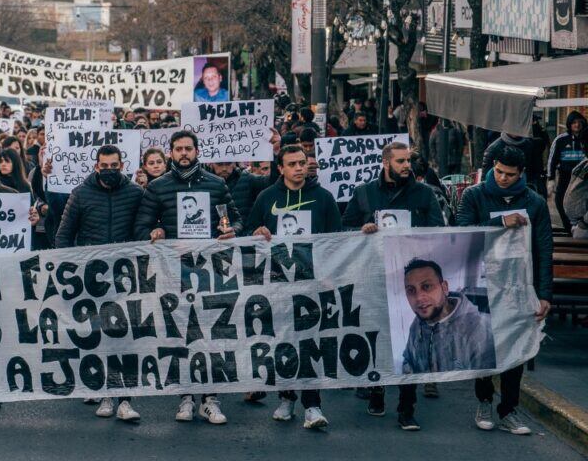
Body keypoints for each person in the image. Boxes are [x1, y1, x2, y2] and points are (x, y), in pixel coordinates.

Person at [133, 130, 241, 425]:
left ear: (197, 151)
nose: (183, 153)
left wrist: (231, 230)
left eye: (188, 148)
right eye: (178, 149)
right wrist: (155, 232)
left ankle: (210, 399)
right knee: (181, 333)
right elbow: (141, 226)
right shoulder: (158, 187)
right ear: (171, 153)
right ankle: (185, 397)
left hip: (210, 271)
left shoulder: (217, 185)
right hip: (174, 271)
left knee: (211, 334)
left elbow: (235, 218)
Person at [342, 141, 443, 430]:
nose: (406, 166)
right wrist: (362, 231)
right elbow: (342, 229)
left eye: (408, 160)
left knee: (410, 342)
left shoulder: (424, 194)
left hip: (409, 281)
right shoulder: (364, 194)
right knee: (378, 338)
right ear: (386, 163)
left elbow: (438, 229)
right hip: (373, 276)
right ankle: (377, 389)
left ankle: (406, 408)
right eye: (400, 161)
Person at [458, 146, 553, 435]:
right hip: (482, 284)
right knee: (483, 346)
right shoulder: (474, 195)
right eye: (498, 171)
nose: (502, 178)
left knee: (516, 348)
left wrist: (545, 293)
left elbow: (543, 248)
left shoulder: (535, 203)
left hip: (518, 287)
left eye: (509, 174)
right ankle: (484, 400)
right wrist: (499, 222)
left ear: (521, 173)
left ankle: (509, 409)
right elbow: (462, 233)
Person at [245, 144, 340, 429]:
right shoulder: (266, 197)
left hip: (312, 282)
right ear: (281, 168)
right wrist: (257, 231)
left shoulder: (323, 198)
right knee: (283, 343)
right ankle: (286, 398)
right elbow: (248, 232)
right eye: (293, 164)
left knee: (310, 344)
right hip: (276, 283)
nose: (300, 168)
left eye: (303, 163)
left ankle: (313, 405)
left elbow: (337, 239)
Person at [55, 145, 144, 422]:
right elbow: (64, 236)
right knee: (101, 336)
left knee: (128, 338)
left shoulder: (135, 194)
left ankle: (126, 399)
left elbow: (142, 230)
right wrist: (67, 274)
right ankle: (105, 392)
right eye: (104, 166)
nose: (109, 170)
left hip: (125, 277)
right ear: (96, 167)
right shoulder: (80, 194)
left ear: (122, 165)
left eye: (114, 165)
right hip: (91, 278)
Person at [401, 258, 497, 375]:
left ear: (445, 288)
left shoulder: (480, 332)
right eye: (411, 290)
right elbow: (408, 360)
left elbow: (483, 386)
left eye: (426, 286)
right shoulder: (418, 323)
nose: (419, 297)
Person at [548, 111, 588, 232]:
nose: (577, 125)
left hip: (582, 178)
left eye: (579, 122)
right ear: (569, 124)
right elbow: (552, 160)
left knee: (581, 202)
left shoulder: (586, 138)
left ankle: (580, 227)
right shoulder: (560, 140)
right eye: (574, 122)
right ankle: (568, 228)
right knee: (560, 201)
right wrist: (550, 179)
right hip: (565, 177)